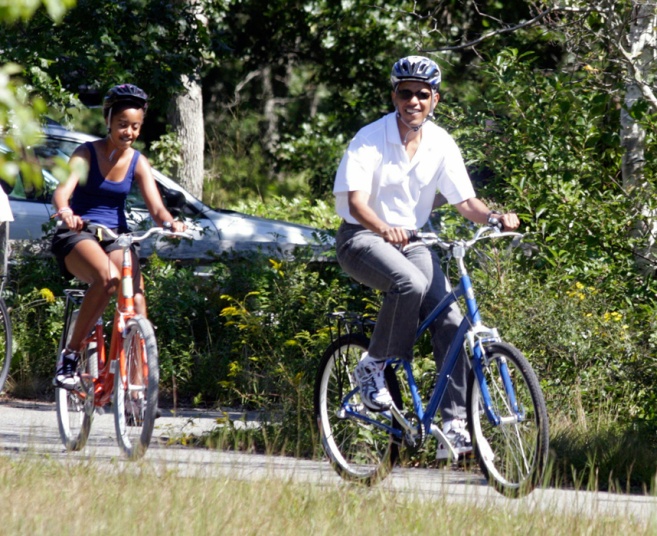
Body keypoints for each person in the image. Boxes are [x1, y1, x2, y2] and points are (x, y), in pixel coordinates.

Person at [333, 56, 520, 458]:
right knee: (410, 283)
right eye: (405, 93)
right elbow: (356, 202)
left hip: (412, 241)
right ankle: (373, 365)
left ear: (435, 99)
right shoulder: (370, 138)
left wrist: (493, 217)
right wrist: (384, 227)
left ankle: (454, 424)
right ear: (394, 96)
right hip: (361, 237)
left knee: (452, 320)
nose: (413, 101)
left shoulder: (441, 142)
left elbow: (465, 201)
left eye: (422, 94)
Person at [51, 83, 186, 389]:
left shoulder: (138, 162)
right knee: (108, 279)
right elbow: (62, 192)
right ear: (108, 121)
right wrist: (66, 211)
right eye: (123, 124)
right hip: (79, 232)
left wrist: (171, 223)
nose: (129, 132)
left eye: (135, 126)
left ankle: (138, 393)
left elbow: (157, 209)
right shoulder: (85, 153)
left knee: (137, 302)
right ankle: (70, 356)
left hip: (115, 236)